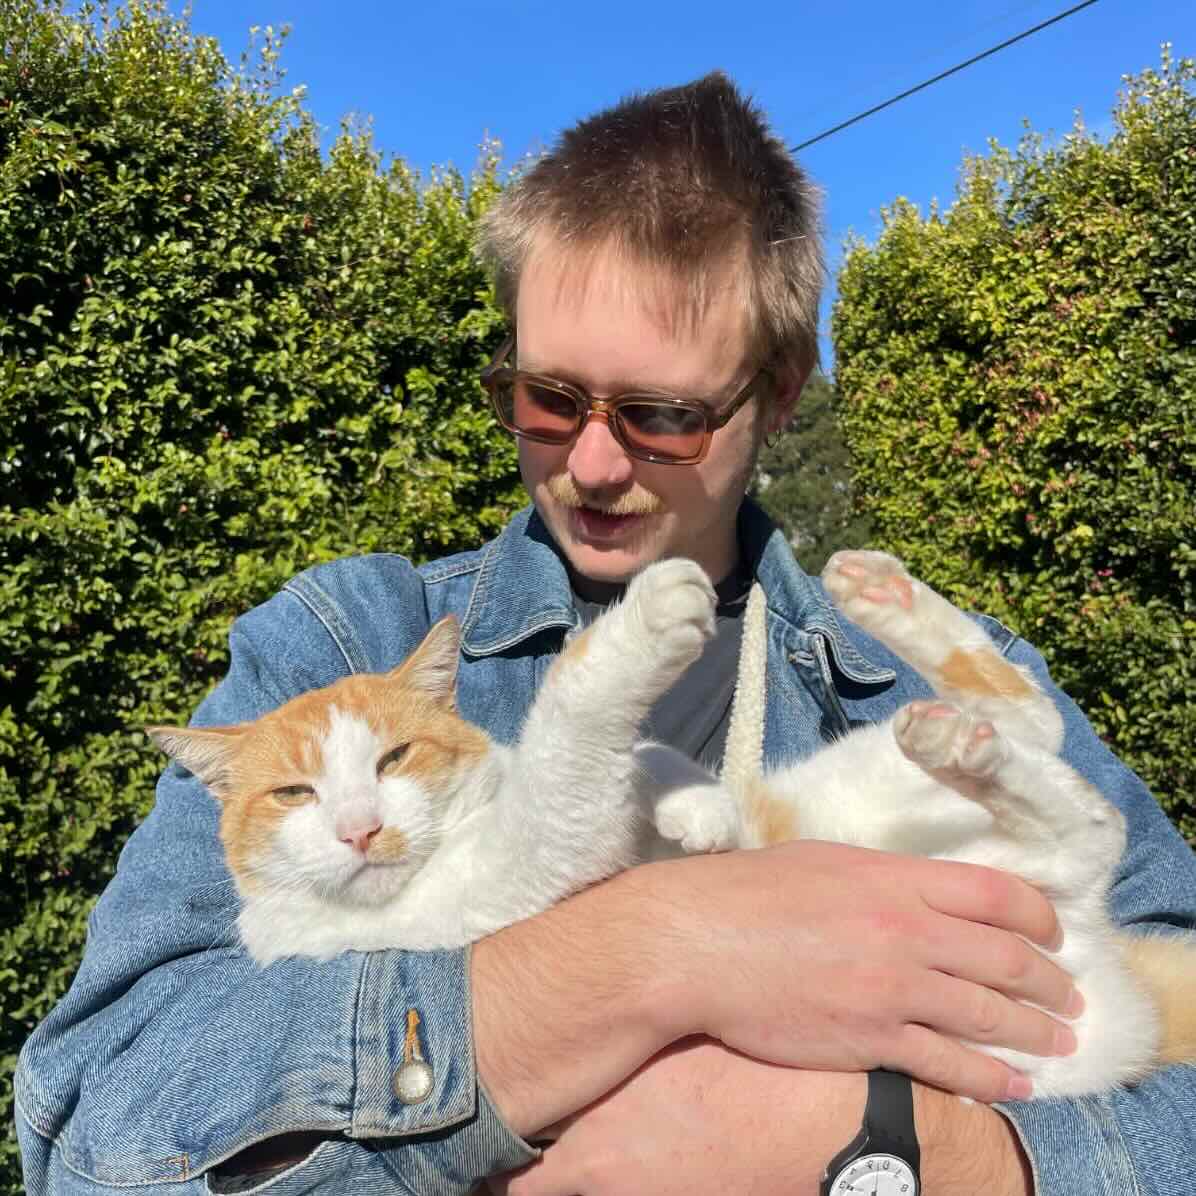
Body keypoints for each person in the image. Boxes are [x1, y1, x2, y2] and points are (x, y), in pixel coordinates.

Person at [15, 72, 1196, 1196]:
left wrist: (895, 1147)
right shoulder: (349, 636)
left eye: (660, 414)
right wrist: (655, 949)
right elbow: (96, 1126)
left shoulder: (920, 681)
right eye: (547, 396)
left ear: (777, 394)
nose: (587, 462)